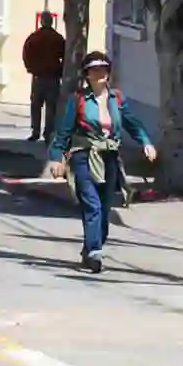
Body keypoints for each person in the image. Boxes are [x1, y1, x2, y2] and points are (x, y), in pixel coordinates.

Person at [46, 51, 157, 273]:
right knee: (92, 204)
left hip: (109, 158)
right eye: (95, 70)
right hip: (83, 157)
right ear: (86, 75)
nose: (100, 73)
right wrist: (56, 158)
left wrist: (146, 142)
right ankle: (95, 252)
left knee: (105, 209)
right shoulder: (78, 99)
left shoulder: (116, 98)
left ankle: (89, 250)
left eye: (104, 69)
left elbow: (132, 123)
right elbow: (63, 132)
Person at [20, 13, 67, 142]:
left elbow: (26, 54)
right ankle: (48, 132)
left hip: (38, 77)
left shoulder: (34, 38)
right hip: (53, 77)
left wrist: (31, 68)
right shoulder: (57, 38)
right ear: (51, 22)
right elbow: (66, 56)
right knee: (51, 106)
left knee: (36, 105)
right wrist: (60, 70)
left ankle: (35, 131)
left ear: (41, 22)